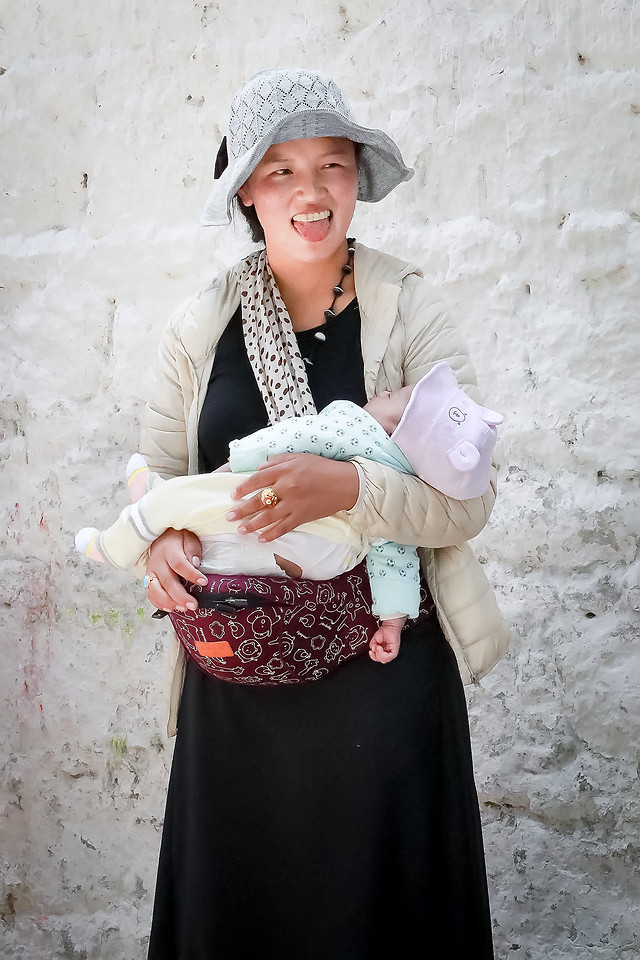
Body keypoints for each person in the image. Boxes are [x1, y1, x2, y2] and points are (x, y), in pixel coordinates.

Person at [137, 67, 509, 959]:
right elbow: (154, 481)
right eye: (282, 172)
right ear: (248, 197)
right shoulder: (200, 328)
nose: (312, 193)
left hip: (381, 678)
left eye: (332, 166)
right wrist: (163, 540)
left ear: (356, 180)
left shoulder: (405, 307)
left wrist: (348, 490)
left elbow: (471, 500)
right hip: (236, 689)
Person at [75, 362, 503, 664]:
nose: (380, 394)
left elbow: (289, 436)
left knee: (176, 504)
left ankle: (115, 543)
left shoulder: (355, 425)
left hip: (270, 518)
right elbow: (395, 556)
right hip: (329, 561)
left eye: (393, 397)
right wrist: (392, 621)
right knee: (209, 553)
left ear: (395, 429)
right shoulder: (403, 476)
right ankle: (152, 502)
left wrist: (233, 468)